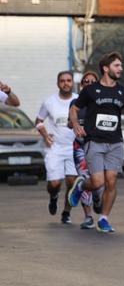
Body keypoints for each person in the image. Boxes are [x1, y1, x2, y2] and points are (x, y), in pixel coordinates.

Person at [68, 52, 124, 233]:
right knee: (97, 183)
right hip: (94, 141)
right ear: (106, 68)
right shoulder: (91, 90)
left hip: (115, 143)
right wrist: (74, 124)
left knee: (111, 182)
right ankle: (81, 185)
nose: (121, 69)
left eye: (121, 66)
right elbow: (75, 108)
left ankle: (103, 219)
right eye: (117, 65)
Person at [35, 71, 79, 224]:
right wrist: (45, 135)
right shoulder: (49, 102)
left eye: (68, 80)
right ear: (58, 83)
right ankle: (53, 196)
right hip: (55, 148)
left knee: (72, 183)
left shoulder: (78, 100)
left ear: (72, 82)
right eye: (62, 81)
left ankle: (66, 213)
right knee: (54, 184)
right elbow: (39, 121)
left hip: (74, 147)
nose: (66, 83)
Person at [69, 71, 100, 229]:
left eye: (92, 81)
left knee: (98, 181)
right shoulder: (75, 102)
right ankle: (88, 216)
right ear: (82, 85)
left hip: (99, 146)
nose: (88, 84)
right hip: (80, 146)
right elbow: (70, 122)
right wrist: (75, 124)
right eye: (85, 81)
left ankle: (97, 196)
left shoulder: (101, 102)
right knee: (83, 177)